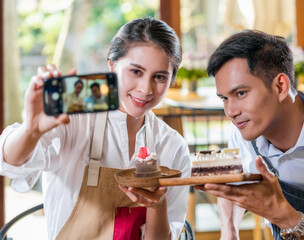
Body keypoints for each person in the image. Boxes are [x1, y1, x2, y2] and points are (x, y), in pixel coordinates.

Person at [0, 17, 190, 240]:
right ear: (112, 65)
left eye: (159, 77)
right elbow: (10, 163)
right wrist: (31, 131)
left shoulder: (173, 147)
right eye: (136, 72)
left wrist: (158, 206)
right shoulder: (72, 122)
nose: (145, 89)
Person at [197, 29, 304, 239]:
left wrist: (286, 217)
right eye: (224, 98)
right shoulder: (245, 131)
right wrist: (229, 232)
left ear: (280, 86)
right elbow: (232, 184)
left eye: (240, 93)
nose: (231, 112)